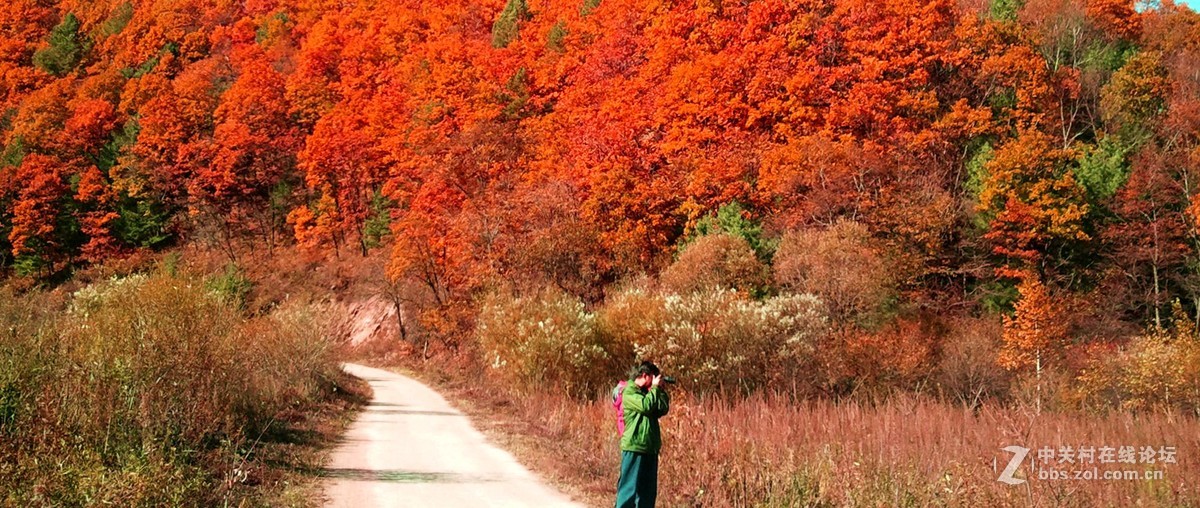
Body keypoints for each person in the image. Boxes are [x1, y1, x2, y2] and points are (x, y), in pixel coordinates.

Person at [615, 361, 670, 508]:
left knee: (647, 494)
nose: (655, 381)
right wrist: (655, 389)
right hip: (634, 446)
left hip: (650, 448)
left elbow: (662, 409)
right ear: (645, 376)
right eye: (653, 377)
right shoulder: (629, 392)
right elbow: (645, 406)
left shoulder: (650, 393)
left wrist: (661, 391)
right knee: (628, 491)